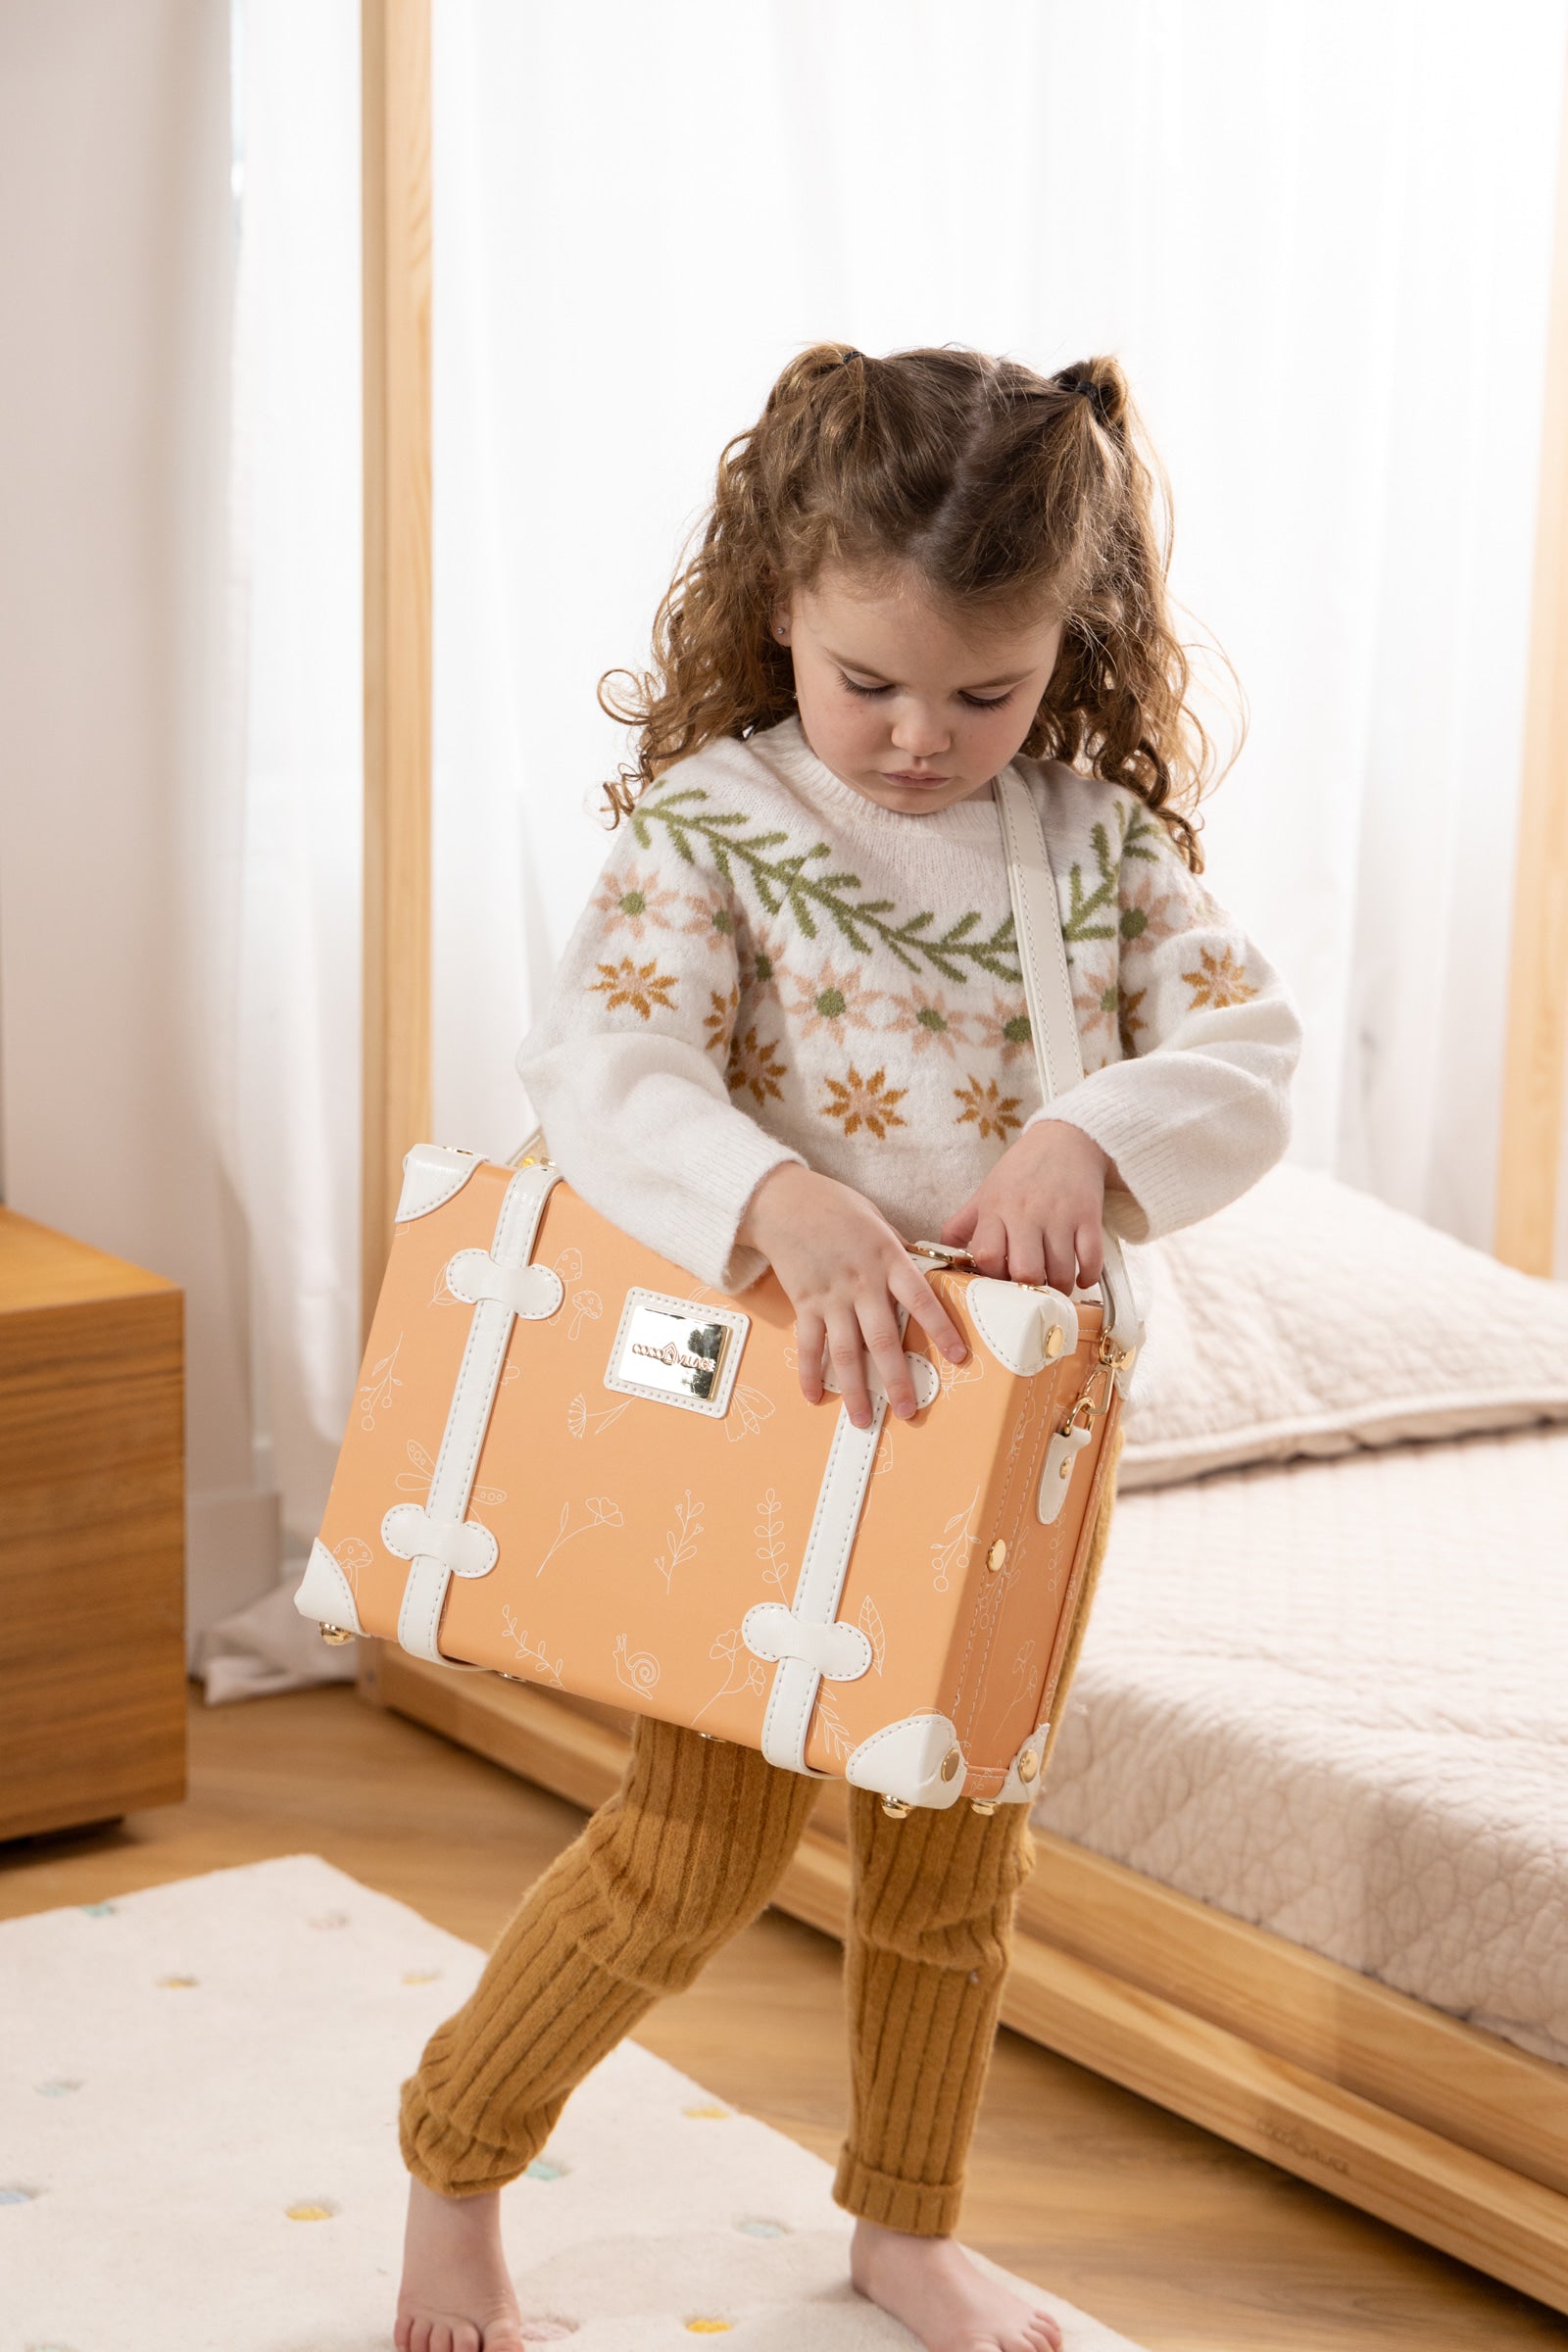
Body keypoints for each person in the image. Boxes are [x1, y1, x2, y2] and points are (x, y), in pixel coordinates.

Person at [393, 343, 1302, 2352]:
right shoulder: (712, 832)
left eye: (981, 695)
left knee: (952, 1873)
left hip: (1004, 1450)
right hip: (781, 1430)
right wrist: (773, 1202)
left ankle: (906, 2222)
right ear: (777, 608)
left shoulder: (1098, 848)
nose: (915, 741)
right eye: (863, 683)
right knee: (678, 1866)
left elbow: (1243, 1055)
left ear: (1067, 643)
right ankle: (453, 2159)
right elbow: (604, 1058)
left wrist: (1089, 1135)